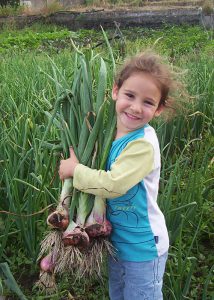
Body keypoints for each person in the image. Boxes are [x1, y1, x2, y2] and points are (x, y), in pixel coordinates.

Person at [58, 51, 181, 300]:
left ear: (159, 109)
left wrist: (75, 171)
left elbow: (114, 185)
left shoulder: (142, 144)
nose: (136, 107)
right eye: (130, 95)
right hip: (117, 245)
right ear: (115, 91)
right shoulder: (109, 135)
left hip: (143, 247)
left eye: (148, 102)